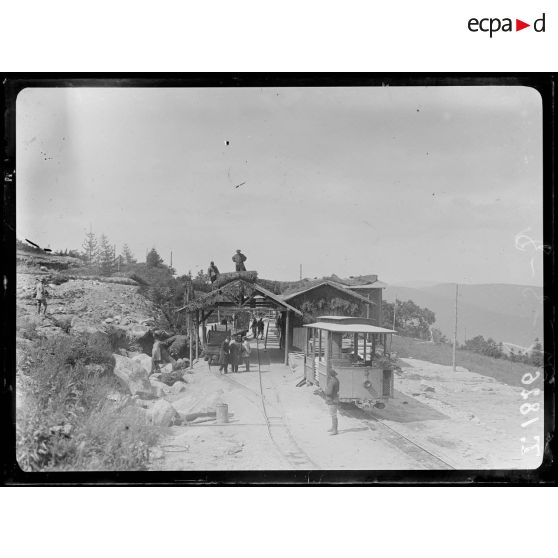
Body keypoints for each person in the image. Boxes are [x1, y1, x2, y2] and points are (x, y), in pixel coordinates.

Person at [324, 370, 340, 435]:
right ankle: (333, 428)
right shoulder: (336, 380)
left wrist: (325, 390)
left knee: (333, 415)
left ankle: (335, 430)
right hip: (335, 398)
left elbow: (329, 392)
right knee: (333, 414)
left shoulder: (332, 381)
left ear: (330, 375)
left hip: (332, 399)